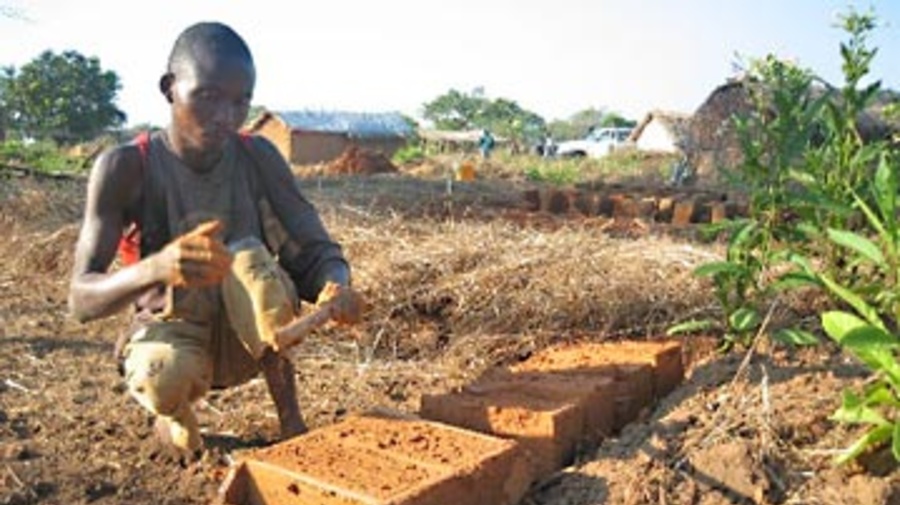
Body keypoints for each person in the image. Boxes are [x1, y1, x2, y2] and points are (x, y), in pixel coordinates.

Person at [68, 21, 363, 460]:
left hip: (254, 338)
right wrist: (158, 268)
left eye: (241, 101)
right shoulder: (126, 167)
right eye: (208, 96)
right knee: (163, 376)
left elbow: (314, 247)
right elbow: (80, 299)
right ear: (169, 88)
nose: (226, 115)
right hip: (174, 336)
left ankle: (291, 420)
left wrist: (337, 285)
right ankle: (175, 417)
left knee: (248, 259)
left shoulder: (258, 156)